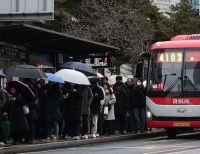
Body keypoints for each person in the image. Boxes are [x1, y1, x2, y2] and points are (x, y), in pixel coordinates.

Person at [22, 78, 37, 144]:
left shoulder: (33, 90)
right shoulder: (23, 90)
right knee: (25, 125)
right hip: (24, 108)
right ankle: (26, 138)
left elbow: (35, 99)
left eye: (26, 82)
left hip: (30, 109)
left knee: (30, 124)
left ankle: (31, 138)